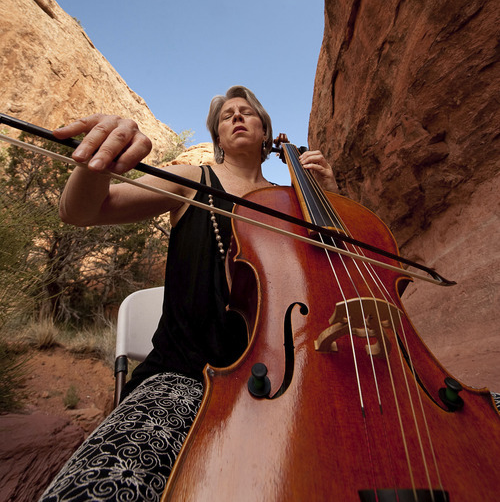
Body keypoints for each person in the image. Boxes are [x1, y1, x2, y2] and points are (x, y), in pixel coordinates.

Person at [38, 85, 336, 502]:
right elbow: (83, 211)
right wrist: (98, 162)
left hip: (281, 384)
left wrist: (327, 200)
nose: (237, 117)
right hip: (184, 375)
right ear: (217, 137)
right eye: (227, 115)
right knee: (103, 488)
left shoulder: (291, 201)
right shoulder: (193, 179)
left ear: (266, 132)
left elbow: (331, 282)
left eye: (247, 112)